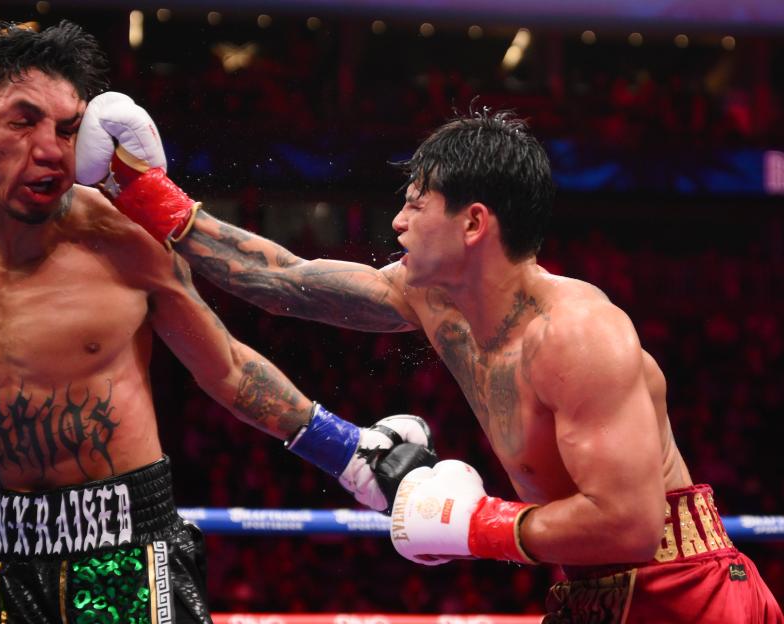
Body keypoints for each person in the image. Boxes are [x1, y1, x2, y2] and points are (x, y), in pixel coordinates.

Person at [0, 21, 437, 623]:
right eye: (22, 122)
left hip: (125, 547)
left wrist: (349, 454)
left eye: (68, 127)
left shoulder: (123, 235)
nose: (51, 150)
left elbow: (228, 367)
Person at [103, 103, 784, 622]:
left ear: (473, 223)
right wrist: (144, 195)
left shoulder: (578, 337)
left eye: (415, 203)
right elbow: (284, 281)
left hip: (684, 588)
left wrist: (469, 523)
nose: (397, 222)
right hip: (585, 591)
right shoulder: (431, 300)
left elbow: (630, 525)